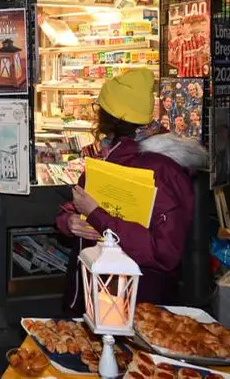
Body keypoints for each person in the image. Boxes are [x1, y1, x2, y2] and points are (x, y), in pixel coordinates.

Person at [56, 68, 207, 314]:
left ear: (108, 118)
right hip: (101, 295)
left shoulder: (161, 169)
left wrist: (96, 215)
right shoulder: (112, 157)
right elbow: (74, 207)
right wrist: (69, 221)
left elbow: (164, 252)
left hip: (138, 306)